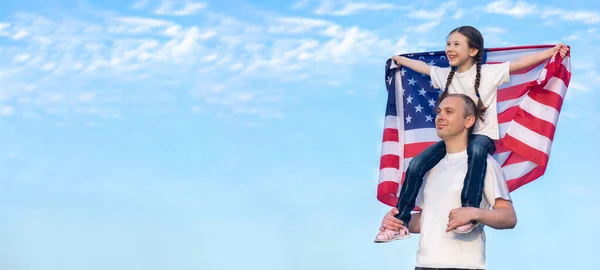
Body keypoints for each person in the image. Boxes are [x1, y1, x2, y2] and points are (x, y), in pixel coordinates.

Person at [375, 25, 569, 240]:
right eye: (448, 43)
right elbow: (423, 68)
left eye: (456, 44)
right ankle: (399, 221)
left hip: (480, 136)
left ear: (474, 51)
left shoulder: (488, 73)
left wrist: (551, 53)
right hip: (456, 140)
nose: (450, 48)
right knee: (417, 164)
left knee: (476, 152)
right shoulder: (446, 75)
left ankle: (468, 210)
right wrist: (401, 60)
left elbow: (518, 64)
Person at [378, 93, 517, 269]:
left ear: (468, 121)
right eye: (439, 111)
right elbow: (427, 220)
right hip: (424, 265)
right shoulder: (430, 168)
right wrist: (396, 222)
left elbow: (509, 217)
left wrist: (475, 213)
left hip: (464, 266)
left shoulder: (485, 164)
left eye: (449, 111)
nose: (440, 117)